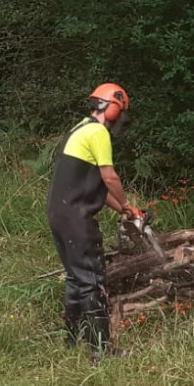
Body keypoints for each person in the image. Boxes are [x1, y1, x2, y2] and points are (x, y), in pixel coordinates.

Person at [47, 83, 144, 361]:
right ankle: (102, 351)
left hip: (60, 213)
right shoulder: (98, 132)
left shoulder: (80, 128)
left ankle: (71, 342)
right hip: (76, 217)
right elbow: (109, 177)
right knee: (92, 279)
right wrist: (126, 204)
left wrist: (124, 211)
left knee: (77, 279)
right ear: (112, 108)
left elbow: (95, 189)